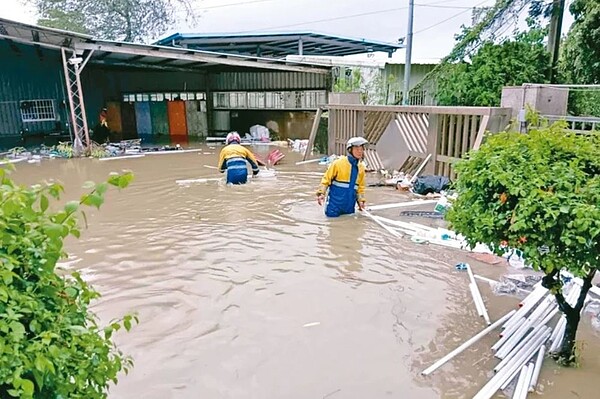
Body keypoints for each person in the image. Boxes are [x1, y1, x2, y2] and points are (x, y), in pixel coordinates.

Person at [316, 136, 368, 217]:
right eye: (357, 149)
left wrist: (361, 201)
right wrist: (321, 194)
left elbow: (360, 188)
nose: (360, 152)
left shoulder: (361, 168)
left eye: (361, 149)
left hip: (349, 207)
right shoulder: (338, 163)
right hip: (334, 206)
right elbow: (326, 179)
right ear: (350, 150)